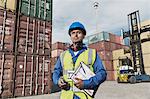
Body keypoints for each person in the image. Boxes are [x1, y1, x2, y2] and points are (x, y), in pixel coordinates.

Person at [52, 21, 107, 99]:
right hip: (66, 96)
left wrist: (86, 83)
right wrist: (58, 81)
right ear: (70, 36)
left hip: (84, 96)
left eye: (79, 32)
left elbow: (102, 73)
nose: (76, 35)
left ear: (84, 35)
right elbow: (56, 71)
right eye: (73, 33)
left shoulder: (92, 53)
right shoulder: (63, 55)